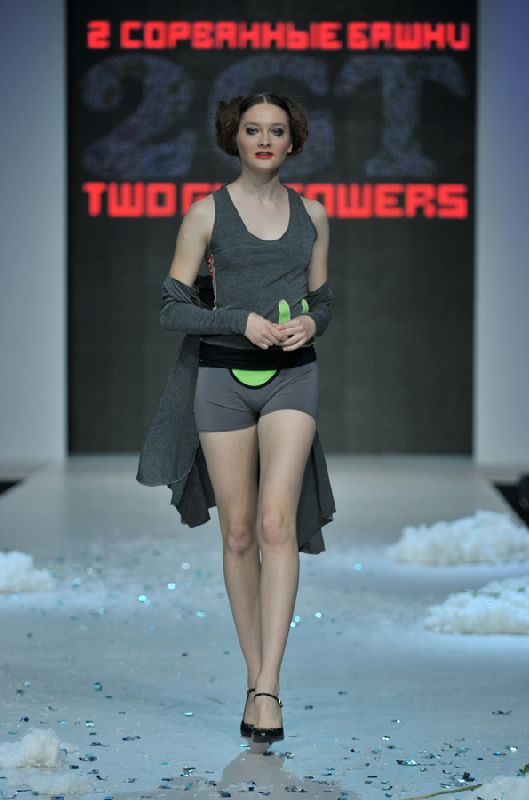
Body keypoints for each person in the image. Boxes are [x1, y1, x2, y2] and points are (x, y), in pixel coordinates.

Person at [163, 92, 331, 744]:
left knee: (274, 523)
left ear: (293, 141)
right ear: (235, 137)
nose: (264, 140)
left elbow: (323, 299)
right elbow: (171, 307)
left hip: (294, 375)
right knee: (237, 534)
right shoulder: (206, 212)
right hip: (221, 379)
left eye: (276, 131)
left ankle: (267, 687)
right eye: (253, 129)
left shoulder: (312, 214)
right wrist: (239, 320)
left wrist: (311, 323)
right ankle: (254, 677)